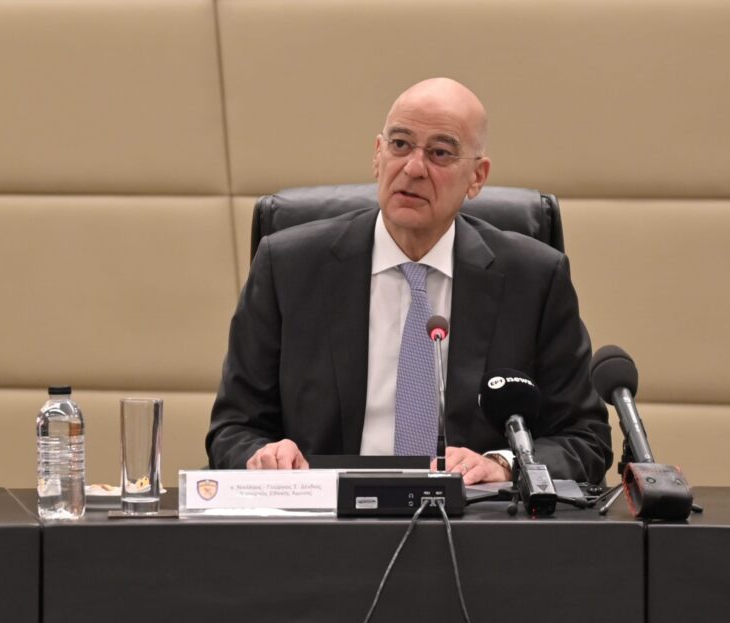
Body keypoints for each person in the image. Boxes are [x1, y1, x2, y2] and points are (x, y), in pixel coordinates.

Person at [206, 78, 612, 485]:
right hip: (325, 514)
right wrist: (266, 457)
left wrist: (504, 464)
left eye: (440, 153)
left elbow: (584, 438)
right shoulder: (288, 267)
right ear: (377, 155)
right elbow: (233, 429)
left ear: (477, 176)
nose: (414, 168)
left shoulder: (534, 280)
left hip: (473, 516)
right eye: (400, 144)